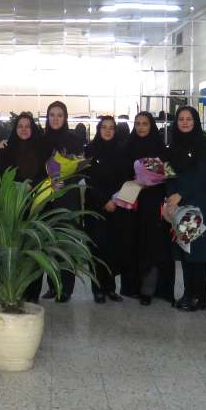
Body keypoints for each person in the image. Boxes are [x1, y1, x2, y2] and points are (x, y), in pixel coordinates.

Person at [166, 105, 206, 312]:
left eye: (189, 119)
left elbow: (202, 174)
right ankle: (188, 293)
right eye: (181, 119)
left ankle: (199, 298)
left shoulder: (202, 144)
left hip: (197, 204)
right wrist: (170, 196)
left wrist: (181, 194)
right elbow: (168, 173)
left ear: (195, 122)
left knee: (198, 252)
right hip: (179, 205)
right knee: (185, 250)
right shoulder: (173, 145)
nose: (185, 122)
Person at [0, 112, 49, 301]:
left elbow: (47, 173)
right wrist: (20, 185)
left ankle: (33, 293)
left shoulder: (42, 148)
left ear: (33, 128)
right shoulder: (6, 149)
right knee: (15, 247)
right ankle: (15, 290)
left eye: (28, 126)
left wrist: (32, 185)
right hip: (15, 205)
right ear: (15, 129)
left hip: (36, 203)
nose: (24, 129)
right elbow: (1, 175)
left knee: (34, 246)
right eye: (20, 126)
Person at [121, 111, 171, 305]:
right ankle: (131, 287)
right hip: (131, 203)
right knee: (133, 244)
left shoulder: (160, 148)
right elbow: (120, 173)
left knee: (151, 246)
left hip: (152, 203)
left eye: (145, 124)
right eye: (138, 123)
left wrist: (149, 179)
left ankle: (147, 290)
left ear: (151, 126)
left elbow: (167, 173)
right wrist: (133, 178)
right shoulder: (127, 147)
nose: (141, 127)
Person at [40, 100, 85, 302]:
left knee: (65, 241)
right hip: (46, 198)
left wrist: (65, 181)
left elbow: (80, 169)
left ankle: (66, 288)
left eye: (59, 115)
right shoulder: (41, 140)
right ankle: (52, 285)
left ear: (65, 117)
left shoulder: (74, 140)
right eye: (52, 115)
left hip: (67, 198)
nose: (55, 119)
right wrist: (48, 182)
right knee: (48, 242)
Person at [82, 116, 123, 303]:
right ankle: (97, 288)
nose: (107, 131)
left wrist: (116, 200)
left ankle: (111, 288)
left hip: (117, 206)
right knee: (97, 248)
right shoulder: (90, 150)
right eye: (104, 127)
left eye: (111, 128)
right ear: (98, 130)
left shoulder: (120, 150)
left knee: (113, 248)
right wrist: (104, 201)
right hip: (95, 207)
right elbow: (89, 179)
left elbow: (125, 178)